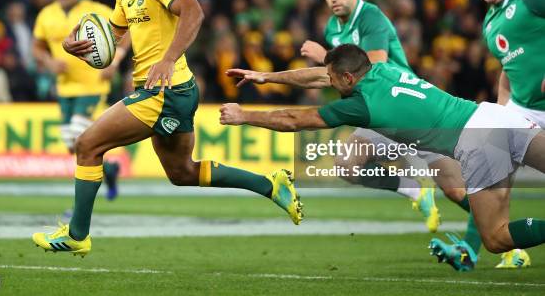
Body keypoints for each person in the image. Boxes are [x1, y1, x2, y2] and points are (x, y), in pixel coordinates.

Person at [226, 0, 528, 270]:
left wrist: (312, 63)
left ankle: (490, 236)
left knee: (440, 184)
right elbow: (327, 76)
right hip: (401, 117)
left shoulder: (370, 19)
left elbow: (369, 72)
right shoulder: (334, 27)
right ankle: (493, 237)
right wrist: (269, 77)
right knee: (440, 186)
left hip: (400, 110)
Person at [32, 0, 302, 257]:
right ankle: (270, 185)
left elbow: (194, 12)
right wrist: (76, 50)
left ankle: (77, 234)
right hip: (169, 90)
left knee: (87, 145)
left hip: (163, 90)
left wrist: (169, 57)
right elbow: (112, 38)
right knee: (183, 172)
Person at [221, 44, 545, 271]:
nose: (328, 83)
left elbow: (294, 120)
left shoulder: (361, 106)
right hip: (494, 117)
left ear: (348, 79)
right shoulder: (381, 69)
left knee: (495, 237)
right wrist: (268, 77)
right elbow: (319, 75)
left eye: (333, 80)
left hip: (477, 143)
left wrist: (244, 115)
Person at [427, 0, 545, 269]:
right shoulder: (490, 24)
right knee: (487, 181)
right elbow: (509, 69)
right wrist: (503, 108)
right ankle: (469, 249)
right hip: (523, 111)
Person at [32, 0, 129, 200]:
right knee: (73, 145)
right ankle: (109, 170)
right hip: (64, 88)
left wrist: (115, 61)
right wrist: (48, 62)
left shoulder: (96, 11)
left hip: (92, 86)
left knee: (80, 138)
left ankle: (80, 204)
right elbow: (37, 47)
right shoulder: (46, 15)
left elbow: (127, 31)